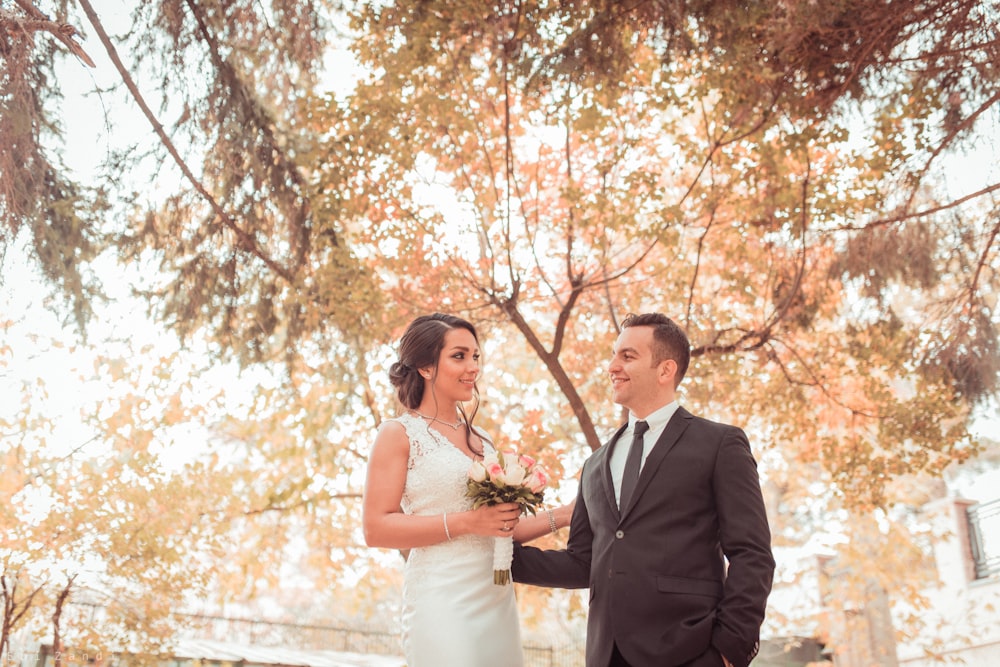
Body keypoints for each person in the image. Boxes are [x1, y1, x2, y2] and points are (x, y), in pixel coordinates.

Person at [513, 312, 775, 667]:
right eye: (613, 355)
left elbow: (752, 554)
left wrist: (730, 648)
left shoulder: (720, 444)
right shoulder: (594, 465)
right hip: (607, 655)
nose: (612, 366)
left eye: (627, 356)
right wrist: (495, 557)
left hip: (693, 649)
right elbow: (581, 564)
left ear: (665, 370)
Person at [363, 313, 574, 667]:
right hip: (441, 598)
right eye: (459, 356)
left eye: (475, 356)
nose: (473, 367)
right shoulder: (398, 434)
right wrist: (467, 522)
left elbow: (500, 527)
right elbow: (376, 528)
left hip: (495, 597)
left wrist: (566, 514)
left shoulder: (483, 441)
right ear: (426, 367)